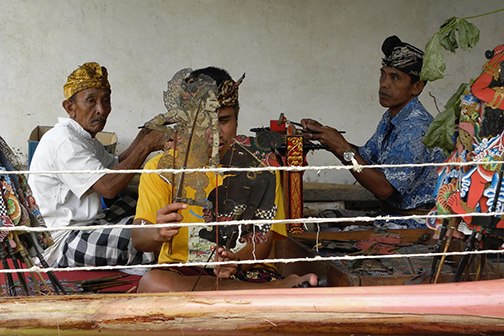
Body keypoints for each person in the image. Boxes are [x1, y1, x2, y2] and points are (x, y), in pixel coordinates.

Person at [132, 66, 318, 292]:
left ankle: (247, 290)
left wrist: (235, 262)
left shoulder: (261, 167)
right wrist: (156, 232)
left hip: (245, 271)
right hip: (184, 271)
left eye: (223, 120)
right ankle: (274, 291)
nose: (214, 132)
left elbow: (262, 241)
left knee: (159, 287)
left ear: (237, 119)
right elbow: (139, 238)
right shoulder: (161, 169)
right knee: (154, 283)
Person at [28, 62, 166, 267]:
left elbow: (115, 166)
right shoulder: (64, 142)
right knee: (148, 230)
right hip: (63, 243)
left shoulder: (83, 137)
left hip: (90, 224)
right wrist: (146, 146)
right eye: (91, 102)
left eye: (106, 101)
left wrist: (144, 134)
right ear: (70, 107)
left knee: (142, 203)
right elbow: (109, 187)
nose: (101, 110)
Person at [301, 36, 445, 228]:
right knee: (323, 220)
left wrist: (341, 147)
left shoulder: (417, 128)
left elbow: (384, 189)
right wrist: (326, 137)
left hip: (416, 222)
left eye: (395, 77)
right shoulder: (392, 117)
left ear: (417, 87)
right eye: (383, 75)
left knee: (324, 233)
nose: (384, 84)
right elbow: (366, 158)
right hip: (393, 215)